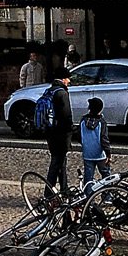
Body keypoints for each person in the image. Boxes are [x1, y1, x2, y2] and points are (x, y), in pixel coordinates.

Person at [42, 67, 74, 197]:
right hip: (61, 134)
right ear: (63, 78)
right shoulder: (62, 93)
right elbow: (66, 115)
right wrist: (71, 131)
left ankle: (64, 188)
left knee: (60, 161)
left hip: (50, 132)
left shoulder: (49, 91)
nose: (69, 81)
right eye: (68, 78)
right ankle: (48, 192)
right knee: (56, 162)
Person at [79, 96, 110, 189]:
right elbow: (104, 139)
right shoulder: (101, 122)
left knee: (88, 177)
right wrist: (108, 153)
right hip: (100, 154)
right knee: (106, 175)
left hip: (87, 153)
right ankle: (107, 194)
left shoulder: (83, 121)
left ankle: (88, 196)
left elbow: (79, 136)